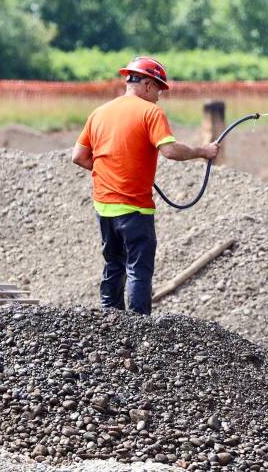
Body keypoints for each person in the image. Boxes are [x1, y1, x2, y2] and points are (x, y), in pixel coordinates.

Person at [72, 56, 219, 314]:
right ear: (149, 84)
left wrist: (111, 171)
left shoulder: (99, 113)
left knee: (113, 265)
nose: (160, 96)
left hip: (104, 206)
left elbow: (79, 157)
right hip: (135, 208)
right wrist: (203, 151)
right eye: (159, 89)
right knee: (138, 269)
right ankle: (139, 330)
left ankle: (110, 320)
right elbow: (170, 151)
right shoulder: (151, 112)